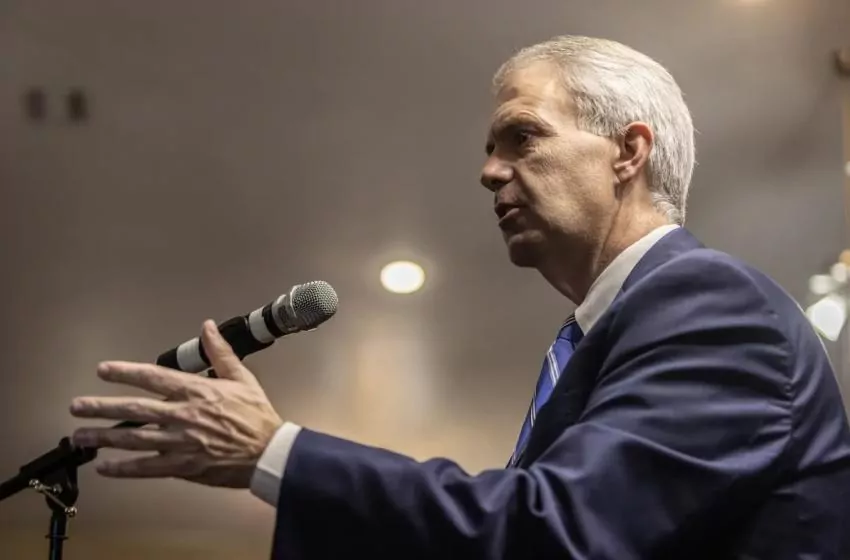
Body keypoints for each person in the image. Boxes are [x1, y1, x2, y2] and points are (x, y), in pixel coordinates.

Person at [69, 35, 850, 559]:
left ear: (628, 151)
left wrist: (276, 453)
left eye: (523, 136)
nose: (488, 172)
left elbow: (560, 534)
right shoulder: (611, 333)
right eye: (490, 149)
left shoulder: (710, 302)